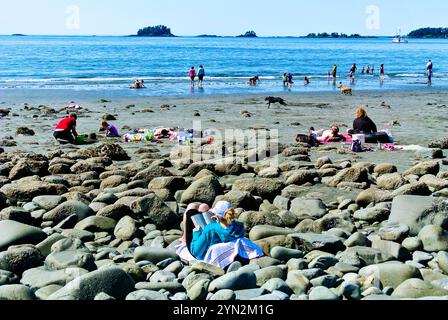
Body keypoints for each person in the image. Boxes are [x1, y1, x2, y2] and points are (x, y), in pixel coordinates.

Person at [189, 201, 264, 266]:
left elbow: (196, 252)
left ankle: (183, 237)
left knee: (195, 208)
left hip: (207, 251)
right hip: (228, 241)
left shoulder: (210, 228)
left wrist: (196, 233)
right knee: (204, 207)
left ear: (216, 216)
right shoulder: (239, 226)